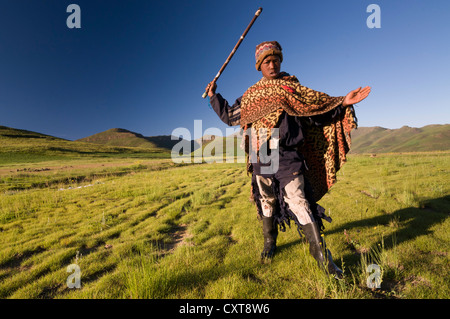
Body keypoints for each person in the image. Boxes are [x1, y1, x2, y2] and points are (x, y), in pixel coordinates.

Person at [206, 41, 371, 278]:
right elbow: (231, 116)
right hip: (261, 154)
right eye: (266, 62)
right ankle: (269, 244)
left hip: (288, 153)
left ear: (280, 62)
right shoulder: (252, 95)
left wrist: (342, 102)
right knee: (267, 201)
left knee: (300, 201)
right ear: (259, 66)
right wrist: (214, 96)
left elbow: (318, 110)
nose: (271, 65)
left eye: (275, 60)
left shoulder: (293, 89)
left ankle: (326, 262)